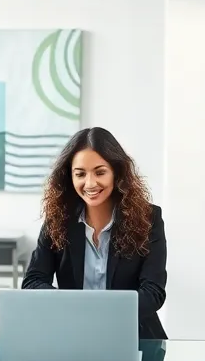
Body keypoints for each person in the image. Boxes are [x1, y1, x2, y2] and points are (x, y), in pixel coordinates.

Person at [22, 127, 168, 339]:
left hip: (135, 336)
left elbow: (153, 293)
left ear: (116, 173)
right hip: (71, 336)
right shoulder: (58, 219)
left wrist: (99, 313)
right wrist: (73, 308)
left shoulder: (149, 217)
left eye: (100, 172)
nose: (90, 184)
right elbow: (33, 281)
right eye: (80, 174)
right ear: (69, 177)